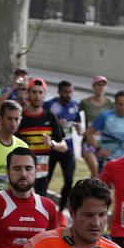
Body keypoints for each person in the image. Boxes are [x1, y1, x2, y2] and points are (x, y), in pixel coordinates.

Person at [16, 78, 68, 196]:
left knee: (39, 200)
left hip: (42, 171)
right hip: (23, 169)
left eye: (40, 92)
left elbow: (64, 147)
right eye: (34, 92)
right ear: (28, 93)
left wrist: (51, 143)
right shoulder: (20, 118)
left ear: (44, 95)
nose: (37, 96)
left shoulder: (50, 117)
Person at [43, 80, 81, 214]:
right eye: (65, 92)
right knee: (46, 179)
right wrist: (56, 124)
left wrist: (78, 126)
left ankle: (60, 212)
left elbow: (77, 120)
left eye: (70, 92)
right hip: (52, 148)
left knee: (69, 179)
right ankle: (42, 207)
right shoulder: (49, 105)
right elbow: (42, 121)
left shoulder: (76, 105)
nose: (68, 94)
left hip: (68, 149)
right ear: (59, 92)